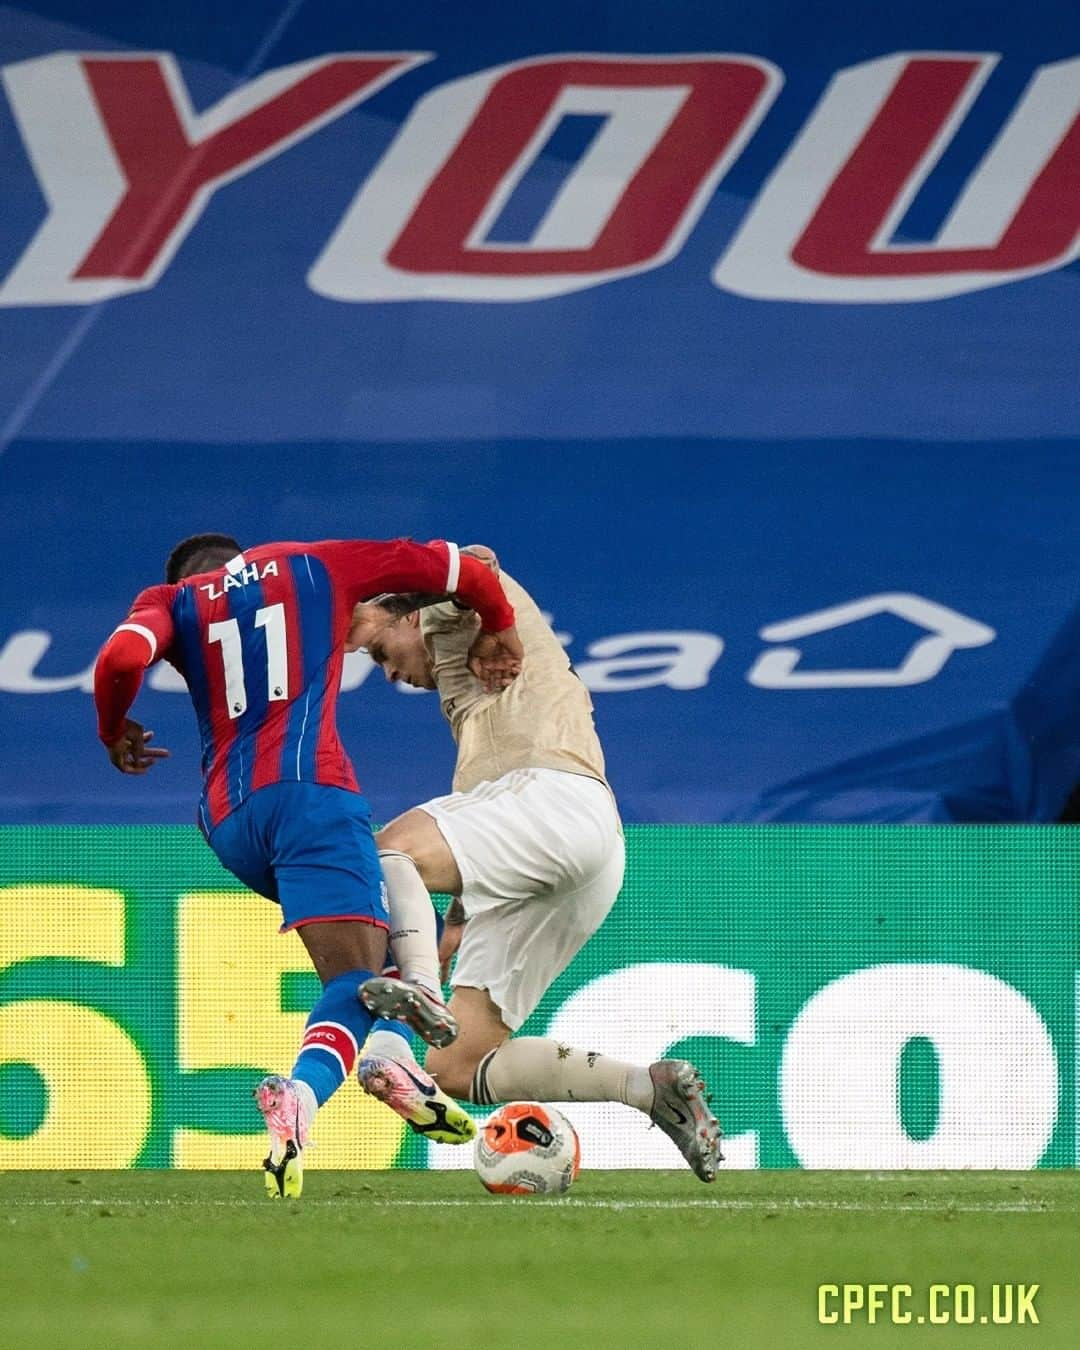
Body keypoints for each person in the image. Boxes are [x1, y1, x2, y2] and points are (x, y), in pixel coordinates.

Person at [93, 532, 523, 1196]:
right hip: (309, 797)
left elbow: (120, 657)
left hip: (226, 822)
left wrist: (112, 727)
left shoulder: (171, 601)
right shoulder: (310, 565)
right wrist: (496, 626)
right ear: (242, 559)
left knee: (386, 925)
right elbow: (456, 566)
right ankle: (305, 1093)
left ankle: (397, 1063)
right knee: (358, 972)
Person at [348, 548, 722, 1182]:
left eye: (382, 653)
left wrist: (350, 609)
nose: (387, 673)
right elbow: (485, 844)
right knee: (455, 1066)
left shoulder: (451, 617)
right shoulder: (470, 702)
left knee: (386, 848)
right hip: (580, 852)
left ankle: (415, 993)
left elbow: (473, 560)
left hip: (553, 801)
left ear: (403, 616)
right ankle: (649, 1088)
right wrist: (451, 932)